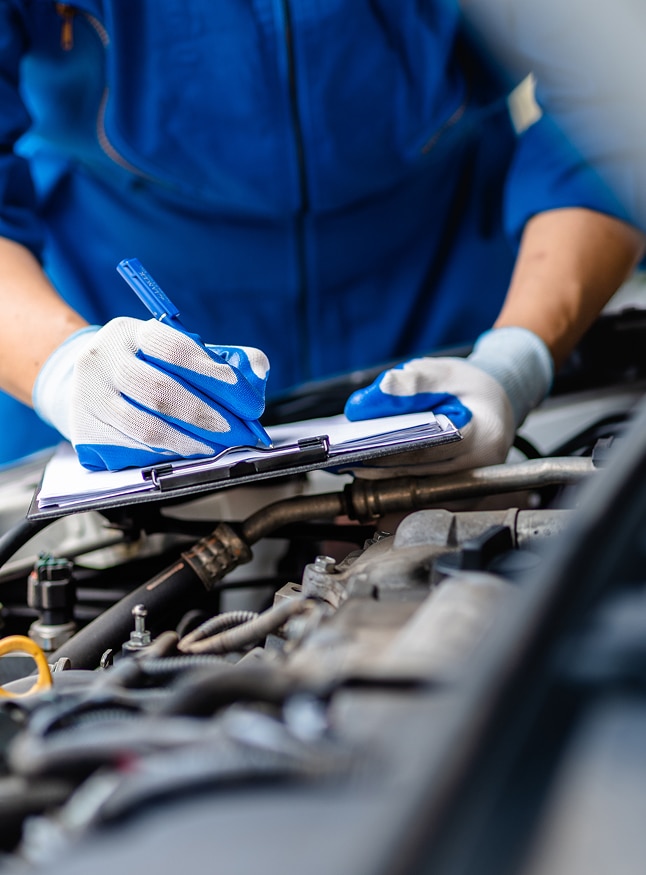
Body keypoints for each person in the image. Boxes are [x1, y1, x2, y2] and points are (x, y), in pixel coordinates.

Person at [0, 1, 643, 472]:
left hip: (455, 282)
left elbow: (616, 100)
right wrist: (62, 368)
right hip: (104, 307)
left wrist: (517, 356)